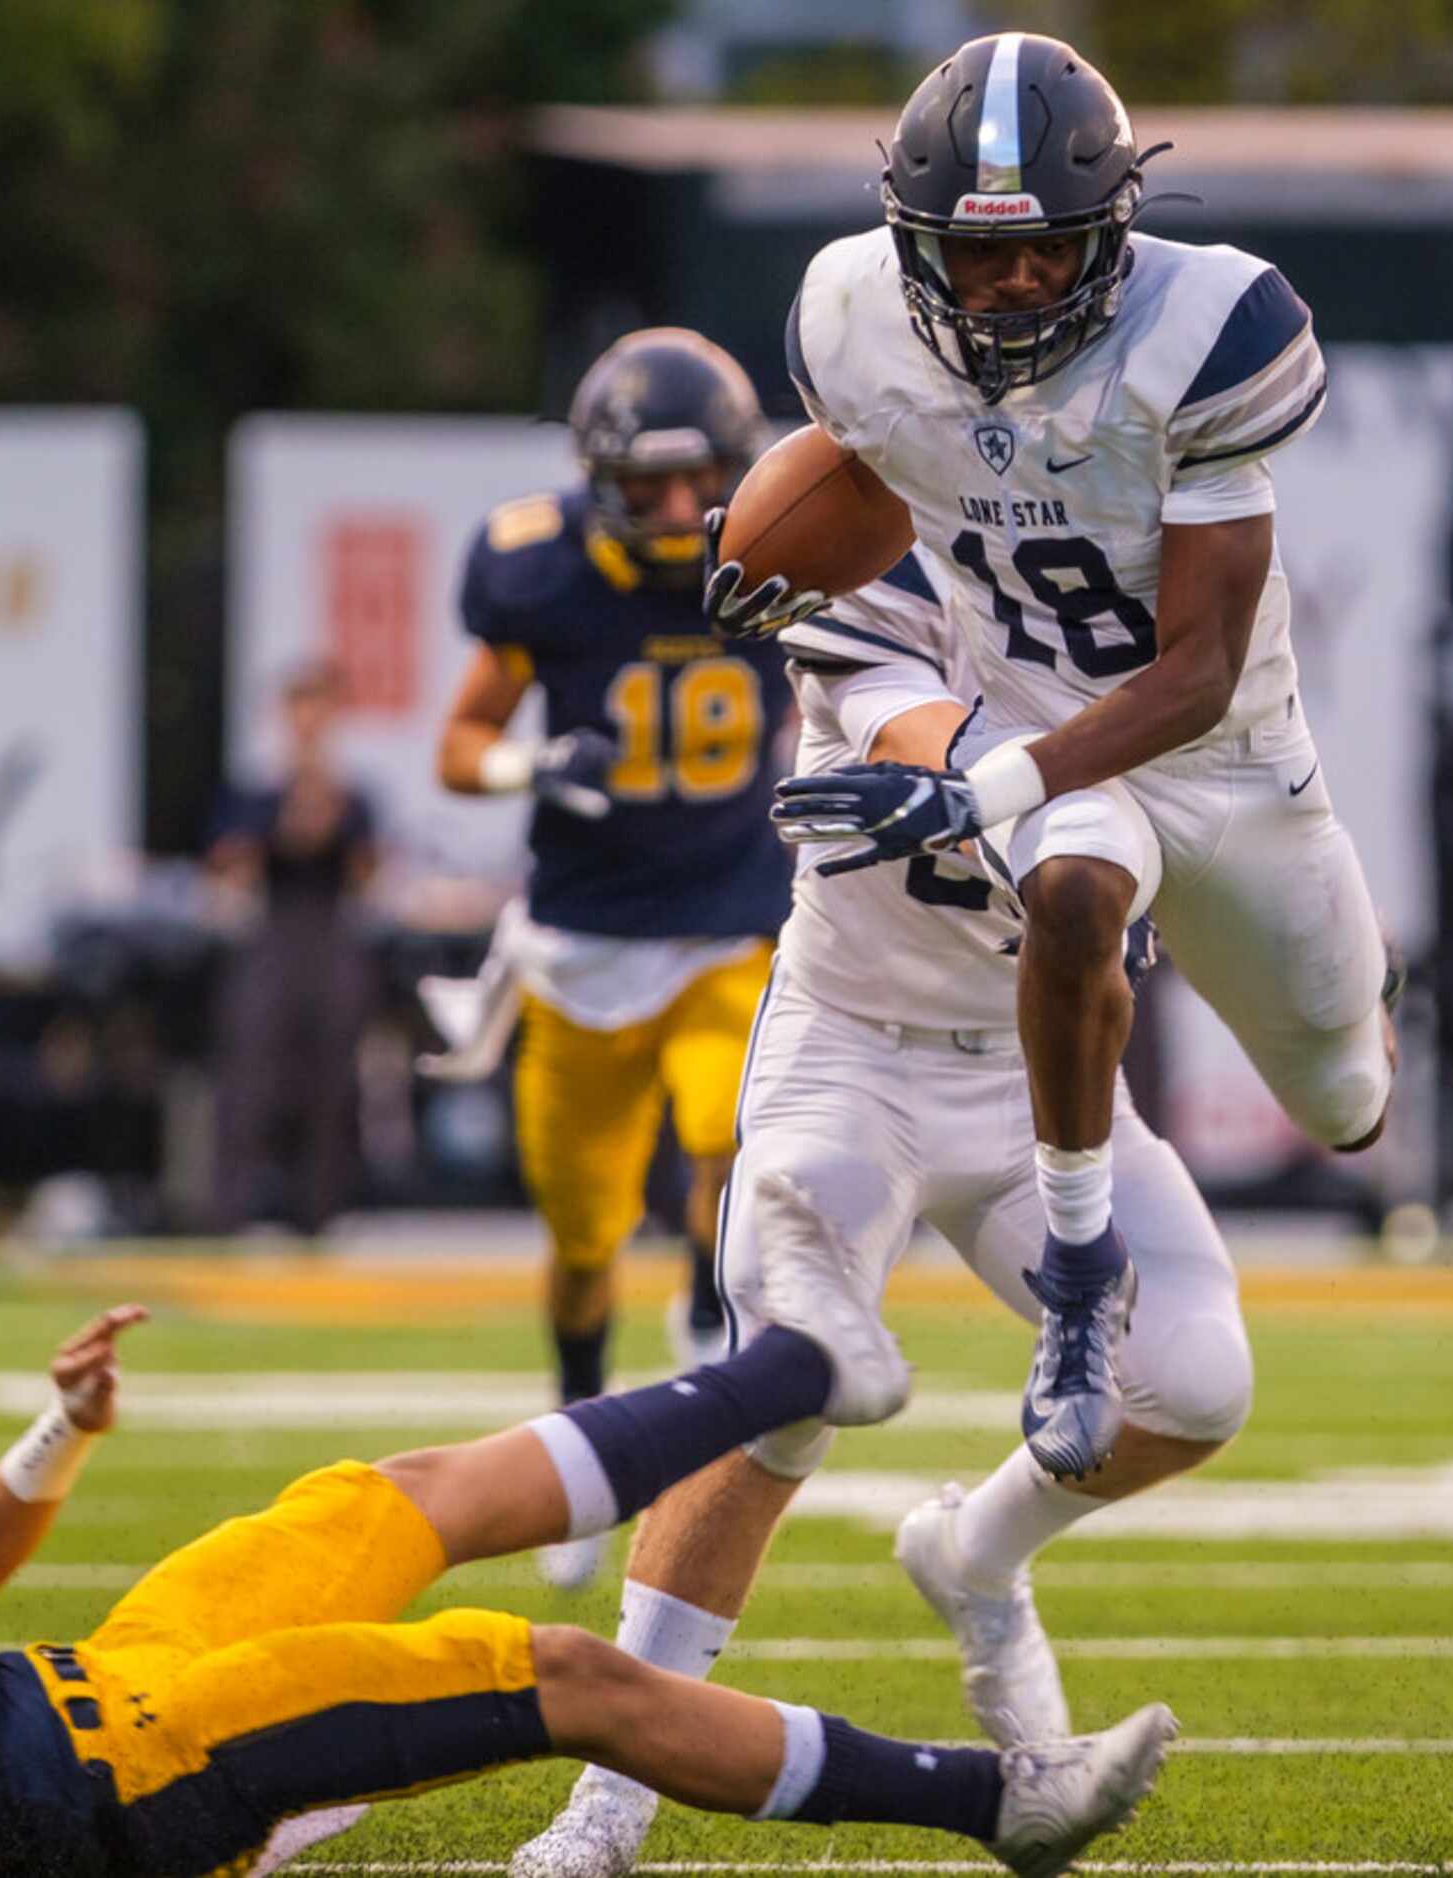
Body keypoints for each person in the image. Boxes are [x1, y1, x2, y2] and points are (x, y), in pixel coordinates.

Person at [0, 1251, 1180, 1878]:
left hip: (99, 1680)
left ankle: (795, 1365)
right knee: (545, 1672)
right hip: (116, 1783)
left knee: (384, 1496)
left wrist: (54, 1435)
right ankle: (995, 1803)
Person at [719, 34, 1399, 1482]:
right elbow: (850, 488)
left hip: (1220, 759)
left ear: (1116, 231)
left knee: (1347, 1103)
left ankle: (1351, 999)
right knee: (1078, 888)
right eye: (978, 261)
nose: (1016, 284)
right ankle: (1080, 1282)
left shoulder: (1209, 333)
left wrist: (990, 785)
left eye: (1048, 254)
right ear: (911, 248)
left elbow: (1199, 674)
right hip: (1051, 746)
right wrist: (766, 561)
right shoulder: (850, 318)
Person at [513, 560, 1251, 1876]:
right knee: (779, 1385)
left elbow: (1212, 850)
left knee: (1194, 1380)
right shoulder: (887, 576)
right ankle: (608, 1796)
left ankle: (976, 1552)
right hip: (853, 1046)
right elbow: (924, 731)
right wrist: (1007, 785)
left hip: (1041, 1070)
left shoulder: (1159, 628)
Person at [435, 327, 796, 1586]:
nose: (685, 509)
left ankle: (705, 1305)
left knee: (732, 1127)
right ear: (598, 476)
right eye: (651, 483)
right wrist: (533, 764)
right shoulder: (540, 574)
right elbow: (458, 742)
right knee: (581, 1234)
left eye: (704, 479)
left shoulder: (780, 549)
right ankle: (586, 1415)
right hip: (584, 942)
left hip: (729, 916)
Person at [207, 661, 381, 1237]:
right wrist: (285, 819)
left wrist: (326, 813)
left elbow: (367, 876)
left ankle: (322, 1215)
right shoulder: (255, 790)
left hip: (330, 932)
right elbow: (229, 870)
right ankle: (231, 1215)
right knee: (251, 1078)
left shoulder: (353, 794)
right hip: (272, 933)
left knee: (331, 1081)